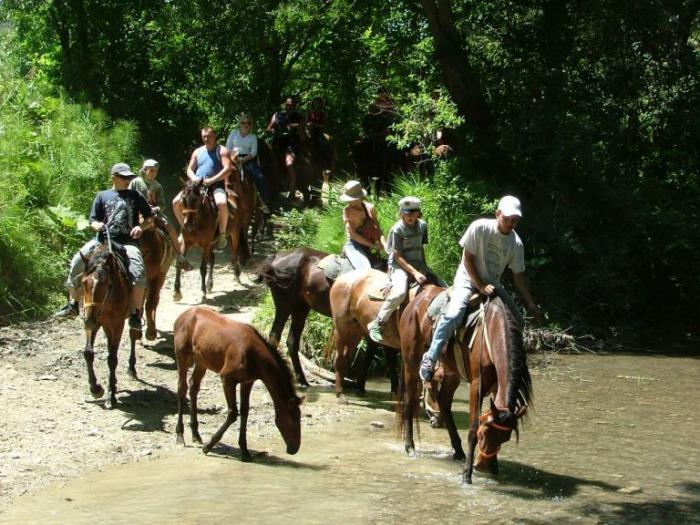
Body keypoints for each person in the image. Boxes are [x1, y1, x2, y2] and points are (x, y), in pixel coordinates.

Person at [419, 195, 542, 382]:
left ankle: (512, 370)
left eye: (514, 220)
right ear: (497, 213)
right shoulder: (480, 227)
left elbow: (518, 277)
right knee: (454, 314)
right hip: (467, 279)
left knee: (517, 322)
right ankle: (431, 356)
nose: (510, 223)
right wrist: (480, 285)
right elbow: (467, 258)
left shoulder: (516, 243)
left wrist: (531, 304)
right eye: (506, 218)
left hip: (493, 285)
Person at [54, 163, 154, 332]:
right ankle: (72, 303)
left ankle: (136, 314)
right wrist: (97, 225)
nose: (127, 180)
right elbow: (92, 220)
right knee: (77, 260)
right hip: (101, 241)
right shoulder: (102, 196)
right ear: (113, 177)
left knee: (139, 272)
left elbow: (149, 218)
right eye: (124, 177)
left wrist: (140, 227)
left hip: (127, 243)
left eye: (129, 177)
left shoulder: (135, 195)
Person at [367, 196, 442, 343]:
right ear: (401, 213)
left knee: (443, 286)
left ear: (418, 213)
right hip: (399, 265)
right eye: (406, 213)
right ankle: (378, 322)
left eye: (413, 213)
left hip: (418, 263)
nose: (410, 217)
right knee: (400, 293)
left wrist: (424, 267)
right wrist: (414, 272)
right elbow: (397, 256)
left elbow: (421, 248)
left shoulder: (422, 226)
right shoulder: (397, 230)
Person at [172, 127, 232, 250]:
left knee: (221, 203)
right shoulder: (198, 151)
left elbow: (228, 169)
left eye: (209, 136)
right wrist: (194, 178)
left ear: (215, 136)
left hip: (215, 185)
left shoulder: (222, 151)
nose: (206, 139)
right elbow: (189, 169)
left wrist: (212, 180)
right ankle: (183, 230)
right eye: (204, 136)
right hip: (196, 185)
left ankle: (222, 234)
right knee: (175, 203)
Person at [129, 159, 192, 270]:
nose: (153, 173)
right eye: (151, 170)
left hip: (153, 214)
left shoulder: (157, 186)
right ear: (144, 170)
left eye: (155, 171)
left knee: (171, 229)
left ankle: (180, 257)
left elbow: (162, 204)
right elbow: (127, 197)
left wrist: (156, 209)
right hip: (136, 212)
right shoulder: (135, 182)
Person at [225, 114, 270, 214]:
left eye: (248, 123)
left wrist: (243, 160)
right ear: (240, 124)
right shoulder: (233, 133)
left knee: (260, 177)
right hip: (232, 158)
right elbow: (228, 147)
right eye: (243, 122)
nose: (246, 125)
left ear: (251, 125)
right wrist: (233, 158)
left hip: (247, 159)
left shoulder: (253, 137)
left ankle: (263, 202)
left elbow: (253, 153)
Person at [340, 180, 385, 269]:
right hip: (354, 245)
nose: (348, 202)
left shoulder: (370, 208)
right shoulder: (347, 211)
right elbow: (353, 235)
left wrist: (384, 243)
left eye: (351, 199)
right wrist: (373, 246)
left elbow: (377, 228)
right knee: (365, 269)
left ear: (359, 198)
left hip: (369, 244)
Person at [266, 96, 304, 198]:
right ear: (284, 105)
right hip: (277, 143)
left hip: (291, 144)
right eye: (287, 105)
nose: (289, 107)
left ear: (295, 106)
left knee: (289, 164)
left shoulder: (299, 118)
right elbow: (269, 128)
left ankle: (292, 193)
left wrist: (295, 127)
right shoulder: (277, 115)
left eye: (291, 105)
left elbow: (302, 134)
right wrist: (273, 130)